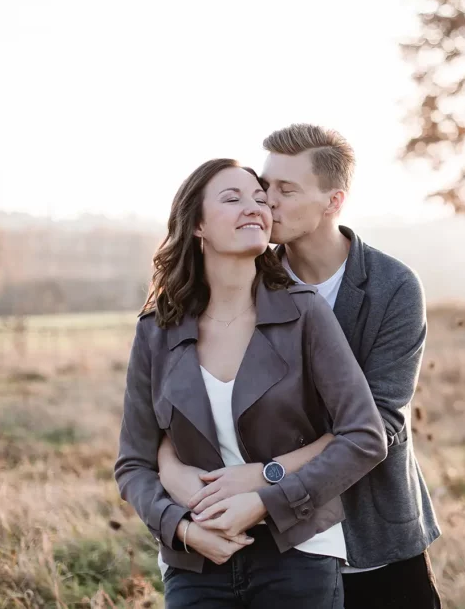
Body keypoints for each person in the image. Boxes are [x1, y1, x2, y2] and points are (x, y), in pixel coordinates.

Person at [158, 124, 443, 608]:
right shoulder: (245, 279)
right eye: (264, 185)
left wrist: (266, 477)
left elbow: (379, 425)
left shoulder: (393, 287)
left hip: (372, 529)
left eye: (285, 190)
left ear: (333, 201)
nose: (266, 202)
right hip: (279, 546)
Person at [115, 158, 387, 608]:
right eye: (232, 198)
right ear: (197, 225)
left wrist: (266, 501)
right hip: (196, 561)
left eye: (260, 199)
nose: (254, 207)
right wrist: (182, 529)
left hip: (299, 552)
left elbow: (364, 436)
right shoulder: (156, 330)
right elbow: (133, 464)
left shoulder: (305, 313)